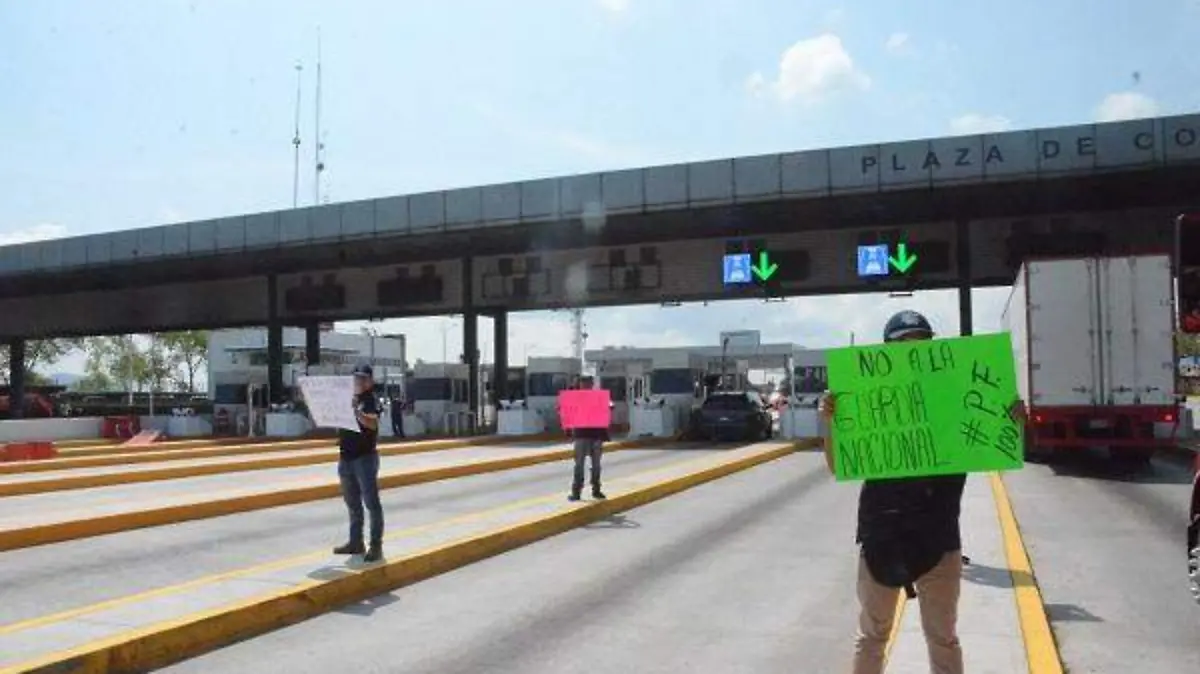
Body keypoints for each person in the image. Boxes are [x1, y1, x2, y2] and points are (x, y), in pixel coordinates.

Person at [818, 310, 1024, 674]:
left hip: (938, 538)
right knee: (871, 638)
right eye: (903, 346)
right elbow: (838, 466)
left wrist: (1010, 420)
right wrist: (831, 423)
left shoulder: (956, 397)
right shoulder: (870, 399)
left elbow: (999, 448)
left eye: (921, 344)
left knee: (943, 638)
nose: (913, 352)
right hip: (882, 537)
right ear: (888, 352)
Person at [333, 363, 385, 563]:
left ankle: (376, 546)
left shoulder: (370, 400)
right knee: (352, 503)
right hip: (345, 458)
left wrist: (355, 410)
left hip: (364, 458)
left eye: (363, 378)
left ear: (370, 381)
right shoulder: (347, 399)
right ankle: (356, 542)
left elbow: (372, 423)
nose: (359, 381)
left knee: (371, 503)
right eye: (356, 378)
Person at [568, 376, 609, 502]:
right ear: (579, 384)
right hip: (581, 435)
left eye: (588, 383)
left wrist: (602, 436)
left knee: (595, 465)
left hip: (595, 435)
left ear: (592, 384)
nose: (585, 385)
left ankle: (596, 489)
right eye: (583, 383)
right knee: (579, 465)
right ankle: (577, 491)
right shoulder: (574, 397)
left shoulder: (597, 397)